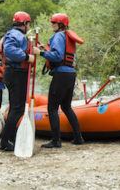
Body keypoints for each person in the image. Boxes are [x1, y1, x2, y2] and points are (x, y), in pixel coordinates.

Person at [33, 13, 84, 148]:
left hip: (61, 75)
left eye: (54, 22)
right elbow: (63, 54)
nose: (52, 25)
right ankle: (78, 138)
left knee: (52, 108)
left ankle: (56, 141)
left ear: (60, 24)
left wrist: (41, 53)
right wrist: (46, 49)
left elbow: (57, 56)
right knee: (66, 107)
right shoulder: (68, 37)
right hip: (70, 74)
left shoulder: (58, 36)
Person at [0, 11, 35, 151]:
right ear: (24, 23)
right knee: (17, 109)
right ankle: (5, 141)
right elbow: (9, 50)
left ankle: (10, 138)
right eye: (28, 24)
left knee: (15, 108)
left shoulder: (17, 35)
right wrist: (26, 57)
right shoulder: (15, 34)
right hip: (16, 74)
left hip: (15, 74)